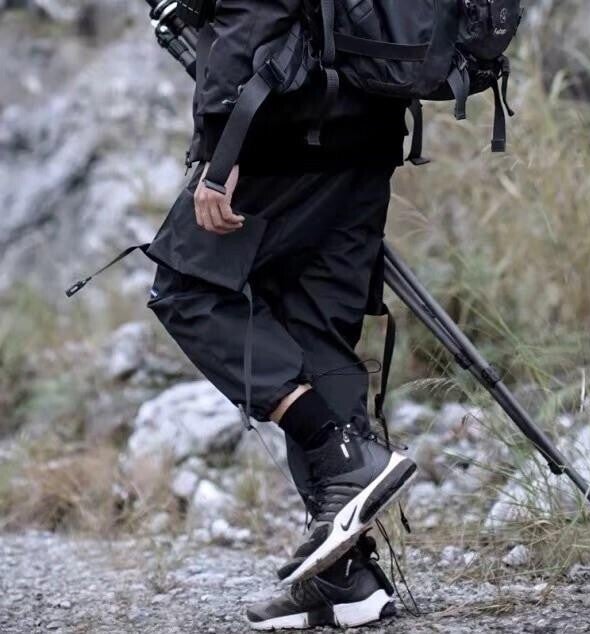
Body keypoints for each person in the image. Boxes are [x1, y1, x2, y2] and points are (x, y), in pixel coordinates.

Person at [145, 1, 418, 629]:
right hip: (373, 123)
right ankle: (343, 577)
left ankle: (339, 451)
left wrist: (219, 151)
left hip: (293, 127)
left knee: (186, 290)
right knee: (316, 333)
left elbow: (249, 14)